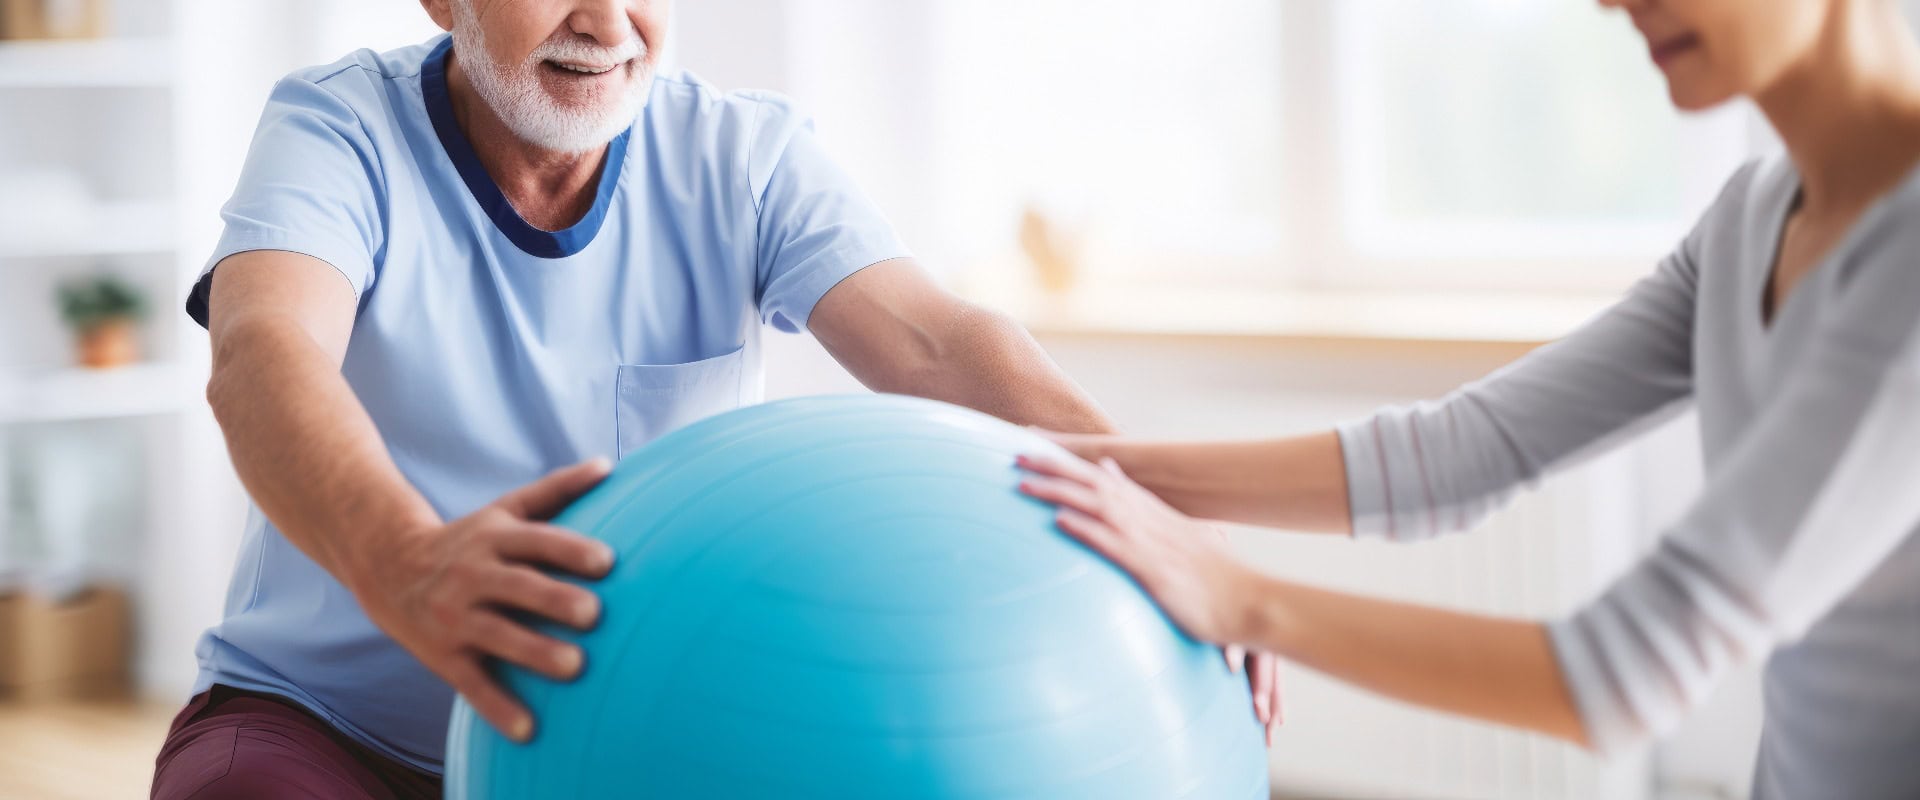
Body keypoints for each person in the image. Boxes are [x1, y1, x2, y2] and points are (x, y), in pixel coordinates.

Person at [146, 2, 1289, 798]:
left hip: (615, 727)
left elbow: (938, 342)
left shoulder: (742, 151)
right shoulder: (340, 127)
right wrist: (403, 561)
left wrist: (1167, 507)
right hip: (334, 729)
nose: (606, 21)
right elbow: (266, 350)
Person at [1019, 0, 1920, 796]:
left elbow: (1626, 668)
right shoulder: (1751, 218)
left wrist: (1239, 598)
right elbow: (1451, 455)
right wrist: (1085, 471)